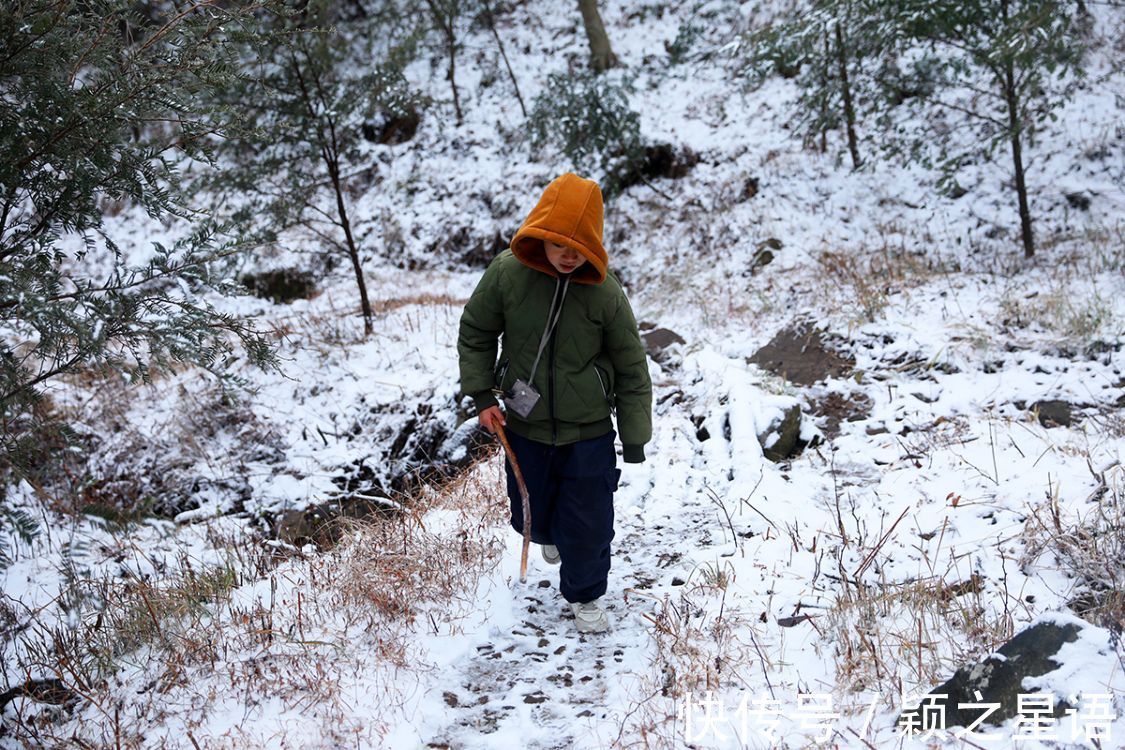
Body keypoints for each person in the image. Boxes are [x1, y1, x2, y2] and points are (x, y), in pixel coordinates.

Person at [457, 173, 652, 634]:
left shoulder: (605, 292)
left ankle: (585, 594)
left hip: (589, 429)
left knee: (588, 518)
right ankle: (550, 534)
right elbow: (477, 331)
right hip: (525, 424)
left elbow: (631, 367)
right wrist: (483, 395)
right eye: (559, 243)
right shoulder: (507, 274)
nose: (569, 254)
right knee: (532, 513)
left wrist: (635, 436)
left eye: (580, 246)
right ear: (540, 233)